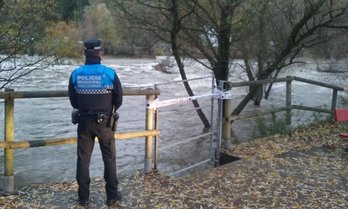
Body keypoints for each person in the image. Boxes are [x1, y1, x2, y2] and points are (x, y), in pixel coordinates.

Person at [68, 39, 123, 207]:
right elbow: (118, 99)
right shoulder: (109, 74)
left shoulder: (76, 74)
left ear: (85, 52)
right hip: (105, 123)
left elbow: (73, 102)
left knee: (83, 160)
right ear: (99, 52)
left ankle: (83, 198)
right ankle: (112, 196)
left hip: (84, 122)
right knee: (109, 160)